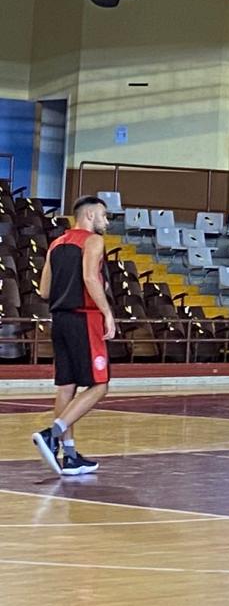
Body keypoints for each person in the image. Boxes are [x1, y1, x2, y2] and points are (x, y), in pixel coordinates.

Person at [30, 195, 115, 476]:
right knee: (99, 385)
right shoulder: (93, 241)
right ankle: (52, 433)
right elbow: (90, 278)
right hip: (84, 317)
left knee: (66, 385)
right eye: (103, 215)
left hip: (60, 320)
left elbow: (43, 290)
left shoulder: (56, 243)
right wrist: (107, 313)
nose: (106, 221)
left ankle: (69, 456)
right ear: (89, 215)